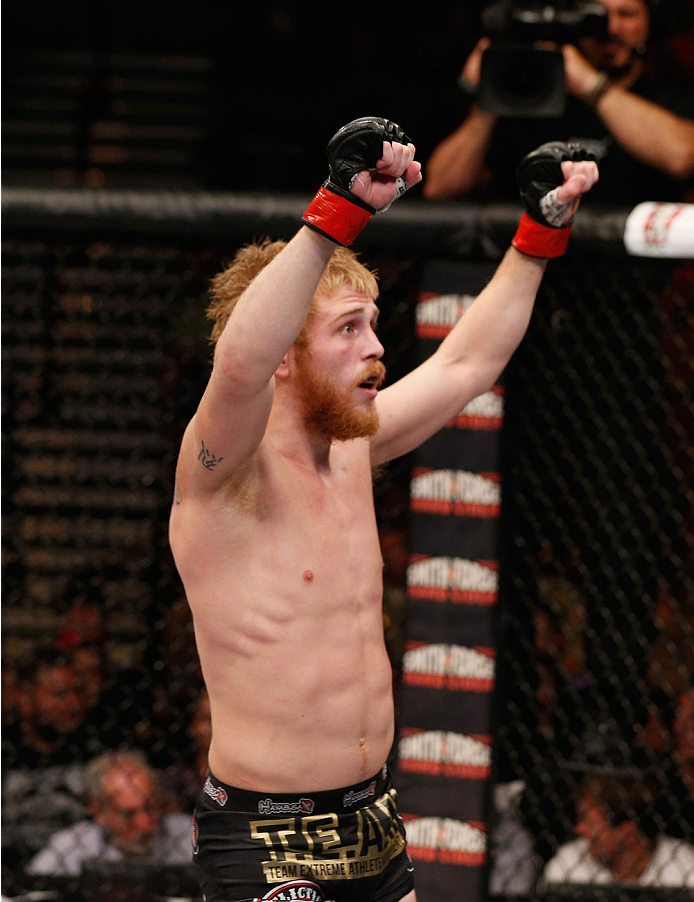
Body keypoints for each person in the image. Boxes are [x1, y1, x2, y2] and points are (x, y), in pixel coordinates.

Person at [168, 115, 598, 902]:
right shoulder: (223, 474)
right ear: (288, 361)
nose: (377, 346)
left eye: (372, 323)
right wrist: (337, 209)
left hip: (374, 816)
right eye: (347, 328)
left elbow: (471, 360)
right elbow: (237, 363)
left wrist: (539, 232)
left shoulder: (354, 449)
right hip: (268, 836)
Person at [423, 0, 694, 204]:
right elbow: (440, 188)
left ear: (651, 23)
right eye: (594, 15)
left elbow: (682, 157)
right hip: (532, 264)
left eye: (626, 14)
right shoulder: (530, 98)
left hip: (635, 272)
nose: (610, 28)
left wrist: (588, 82)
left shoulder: (669, 100)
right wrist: (491, 95)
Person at [26, 749, 192, 876]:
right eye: (128, 814)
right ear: (97, 810)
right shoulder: (73, 845)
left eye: (150, 808)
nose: (144, 824)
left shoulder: (189, 835)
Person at [542, 769, 694, 888]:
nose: (579, 829)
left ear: (627, 831)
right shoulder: (569, 861)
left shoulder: (685, 869)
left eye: (589, 822)